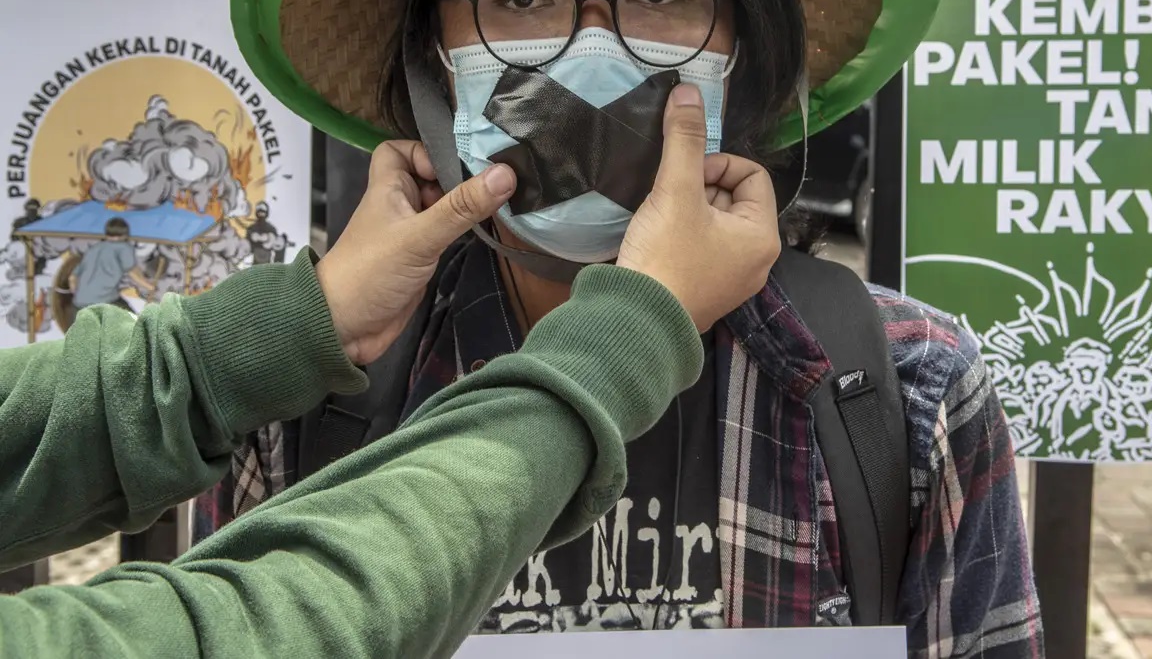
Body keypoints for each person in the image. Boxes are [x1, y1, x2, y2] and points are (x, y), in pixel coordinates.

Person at [204, 0, 1042, 655]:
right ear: (434, 51)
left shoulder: (907, 383)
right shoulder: (303, 389)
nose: (592, 52)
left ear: (741, 46)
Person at [1, 92, 780, 657]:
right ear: (431, 67)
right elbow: (255, 629)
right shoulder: (288, 427)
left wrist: (303, 319)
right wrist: (627, 336)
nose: (593, 63)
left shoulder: (887, 366)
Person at [68, 217, 154, 315]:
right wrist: (149, 286)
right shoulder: (124, 247)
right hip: (105, 302)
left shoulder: (94, 249)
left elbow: (72, 278)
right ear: (126, 234)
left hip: (79, 305)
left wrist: (80, 295)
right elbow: (132, 272)